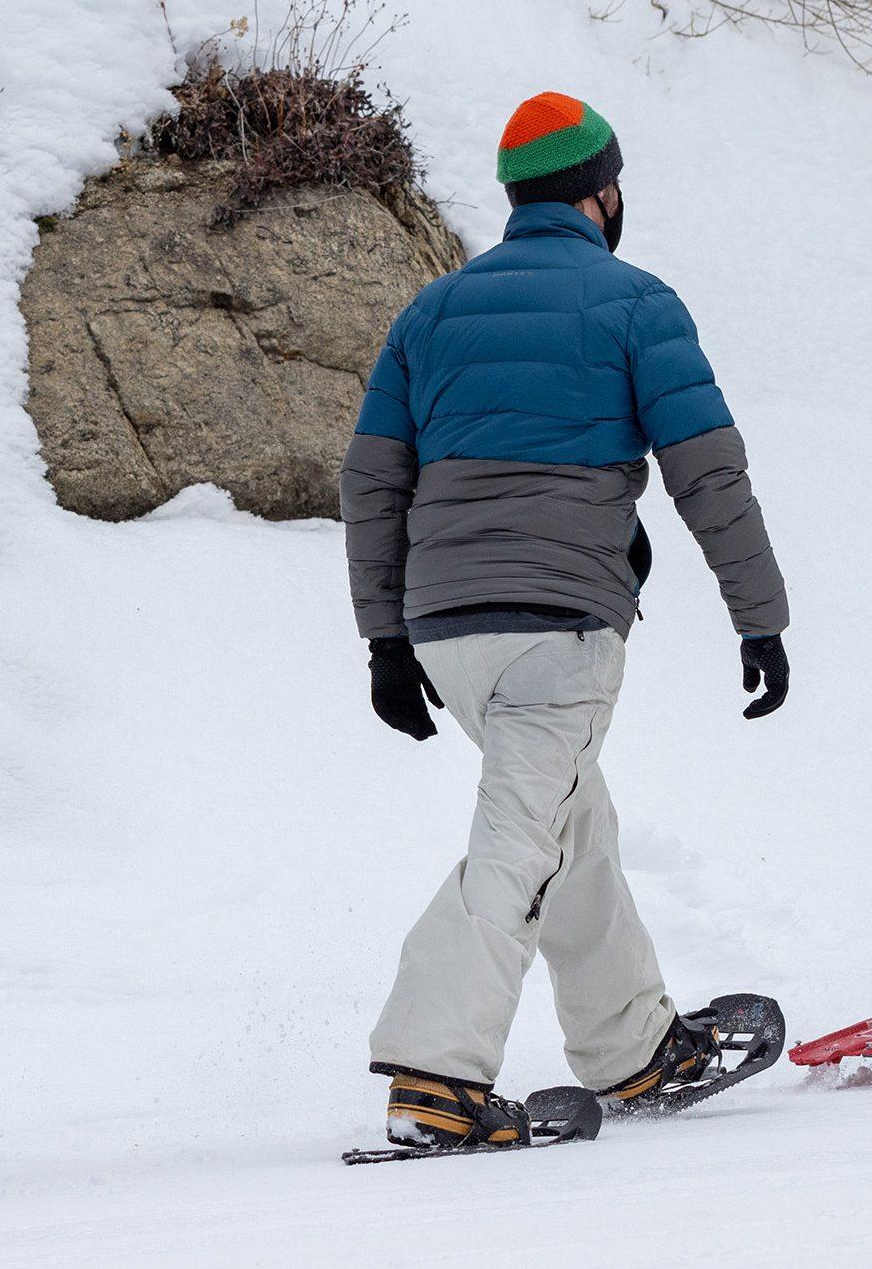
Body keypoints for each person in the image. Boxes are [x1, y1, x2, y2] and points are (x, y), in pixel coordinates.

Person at [340, 91, 792, 1150]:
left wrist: (385, 642)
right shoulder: (636, 304)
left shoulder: (433, 313)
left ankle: (633, 1049)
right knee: (519, 843)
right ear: (605, 192)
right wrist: (759, 617)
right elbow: (707, 475)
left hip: (448, 632)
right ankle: (435, 1075)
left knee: (570, 828)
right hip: (559, 626)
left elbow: (371, 484)